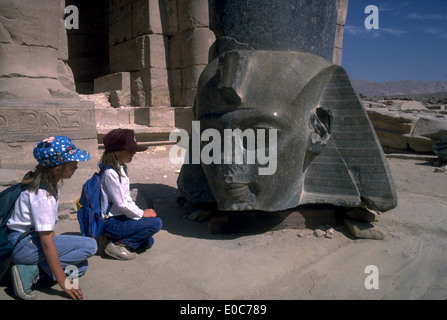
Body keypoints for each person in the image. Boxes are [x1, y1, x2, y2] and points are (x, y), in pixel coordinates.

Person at [7, 136, 97, 300]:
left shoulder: (42, 182)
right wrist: (63, 282)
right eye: (72, 164)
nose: (76, 166)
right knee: (90, 246)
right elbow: (47, 241)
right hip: (23, 244)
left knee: (81, 267)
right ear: (57, 169)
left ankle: (30, 269)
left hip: (23, 240)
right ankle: (29, 271)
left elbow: (46, 231)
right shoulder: (44, 196)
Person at [100, 129, 162, 260]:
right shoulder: (110, 173)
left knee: (148, 241)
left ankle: (121, 240)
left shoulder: (120, 168)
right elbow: (121, 203)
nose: (133, 153)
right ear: (117, 152)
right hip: (113, 222)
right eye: (130, 150)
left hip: (122, 218)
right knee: (156, 223)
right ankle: (116, 244)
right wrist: (142, 213)